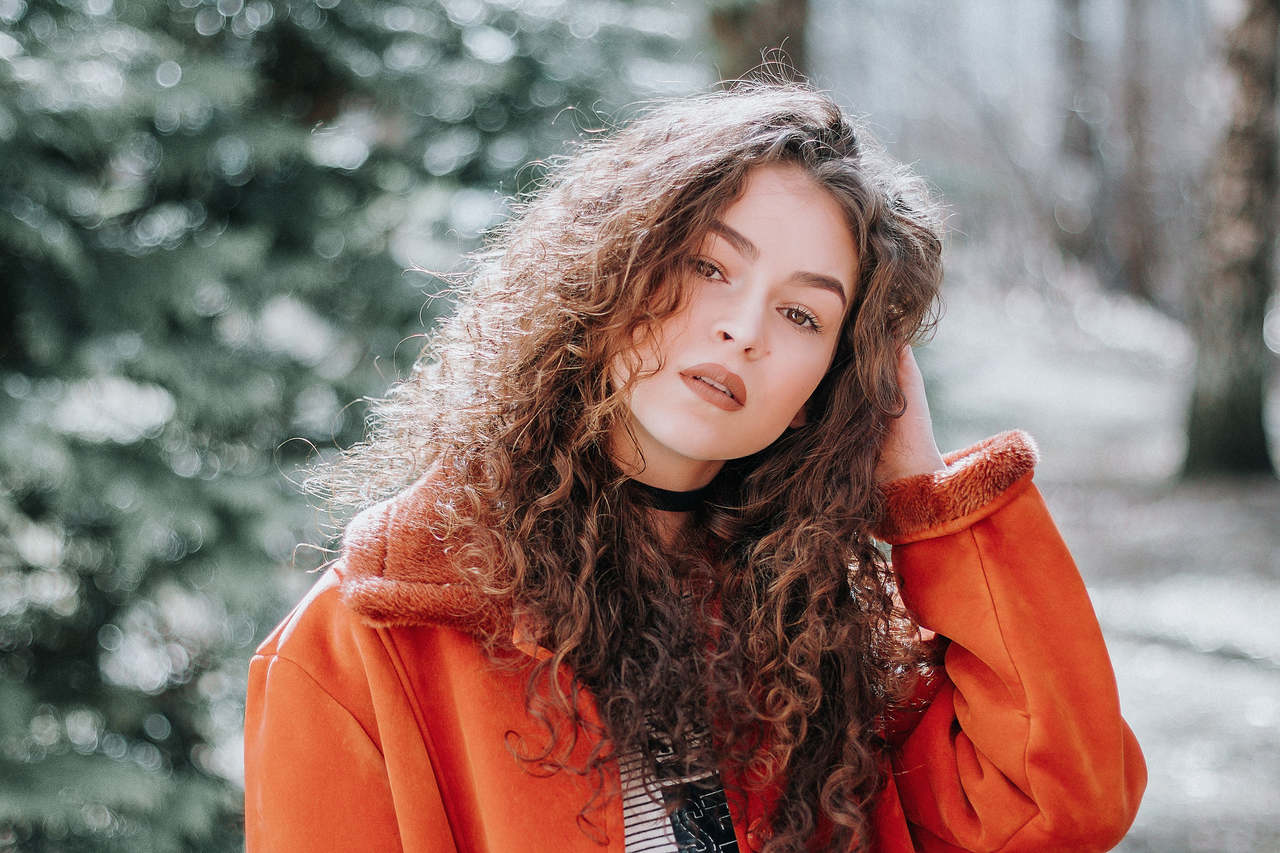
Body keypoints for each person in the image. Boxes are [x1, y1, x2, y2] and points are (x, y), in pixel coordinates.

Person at [243, 81, 1146, 852]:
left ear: (831, 385)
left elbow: (1064, 801)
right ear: (611, 266)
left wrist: (925, 498)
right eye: (712, 265)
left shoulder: (817, 633)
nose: (744, 329)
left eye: (803, 317)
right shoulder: (368, 641)